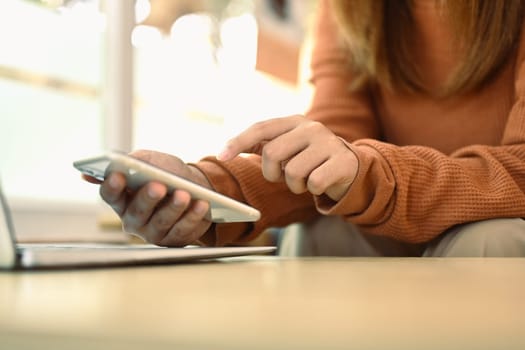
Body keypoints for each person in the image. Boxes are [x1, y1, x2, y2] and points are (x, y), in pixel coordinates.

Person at [87, 0, 525, 256]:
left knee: (495, 241)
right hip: (400, 223)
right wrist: (205, 188)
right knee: (319, 231)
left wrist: (361, 173)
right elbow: (330, 152)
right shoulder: (350, 10)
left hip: (499, 230)